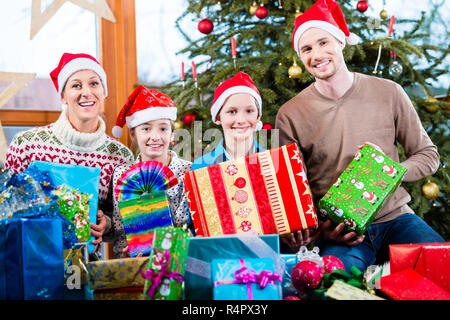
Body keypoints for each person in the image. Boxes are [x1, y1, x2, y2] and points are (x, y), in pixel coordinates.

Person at [275, 0, 444, 271]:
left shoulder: (389, 92)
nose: (316, 54)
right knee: (334, 284)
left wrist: (387, 172)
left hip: (397, 218)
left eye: (323, 43)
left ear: (340, 42)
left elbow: (428, 155)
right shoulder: (290, 114)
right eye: (306, 49)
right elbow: (293, 193)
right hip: (341, 233)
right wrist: (322, 232)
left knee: (441, 267)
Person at [5, 52, 134, 251]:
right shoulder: (27, 145)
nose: (86, 92)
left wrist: (106, 224)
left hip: (88, 267)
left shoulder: (120, 156)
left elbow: (125, 221)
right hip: (34, 263)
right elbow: (5, 212)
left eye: (94, 83)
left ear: (103, 91)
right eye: (76, 85)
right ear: (63, 96)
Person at [110, 85, 192, 257]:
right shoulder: (122, 174)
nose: (155, 137)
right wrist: (126, 252)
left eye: (163, 129)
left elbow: (186, 227)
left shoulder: (187, 171)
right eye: (146, 129)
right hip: (134, 267)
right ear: (133, 134)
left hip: (178, 263)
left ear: (172, 135)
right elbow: (119, 229)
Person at [191, 71, 265, 170]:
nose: (241, 120)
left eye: (249, 111)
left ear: (258, 116)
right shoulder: (200, 167)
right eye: (232, 111)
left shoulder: (273, 160)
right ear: (217, 117)